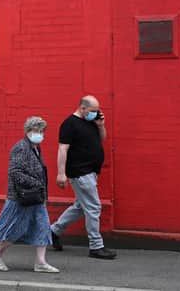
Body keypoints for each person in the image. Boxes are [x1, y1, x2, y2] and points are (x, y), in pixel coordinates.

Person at [0, 116, 59, 273]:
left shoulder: (35, 148)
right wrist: (37, 184)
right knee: (15, 228)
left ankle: (40, 262)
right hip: (22, 197)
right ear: (27, 131)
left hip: (36, 197)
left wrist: (42, 192)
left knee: (43, 226)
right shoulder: (21, 148)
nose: (39, 134)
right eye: (36, 130)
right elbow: (15, 172)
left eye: (41, 131)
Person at [50, 95, 117, 259]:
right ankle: (96, 246)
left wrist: (100, 126)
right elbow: (62, 149)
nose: (96, 114)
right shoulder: (69, 124)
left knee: (80, 207)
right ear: (83, 108)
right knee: (94, 207)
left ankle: (53, 231)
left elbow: (102, 139)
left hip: (91, 172)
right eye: (93, 111)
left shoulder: (91, 122)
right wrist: (61, 173)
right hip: (80, 172)